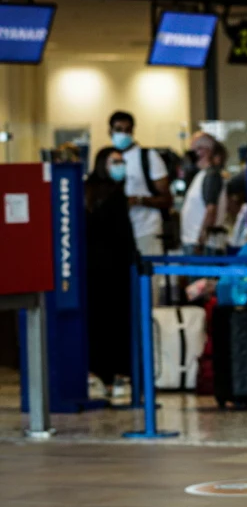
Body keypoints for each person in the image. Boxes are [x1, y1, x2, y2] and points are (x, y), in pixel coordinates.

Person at [84, 147, 136, 397]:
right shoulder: (115, 195)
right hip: (115, 269)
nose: (120, 165)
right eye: (115, 161)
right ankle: (117, 376)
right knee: (117, 322)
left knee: (98, 322)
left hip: (92, 269)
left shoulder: (87, 190)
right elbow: (124, 235)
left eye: (122, 161)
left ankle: (97, 375)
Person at [109, 110, 171, 259]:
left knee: (149, 278)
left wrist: (138, 200)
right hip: (119, 232)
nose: (123, 134)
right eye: (118, 130)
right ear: (110, 131)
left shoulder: (148, 157)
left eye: (127, 130)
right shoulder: (109, 158)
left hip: (146, 230)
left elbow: (167, 199)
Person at [179, 133, 225, 255]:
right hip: (196, 242)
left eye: (194, 149)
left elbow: (211, 209)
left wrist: (201, 239)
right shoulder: (202, 175)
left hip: (203, 246)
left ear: (205, 151)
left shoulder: (211, 175)